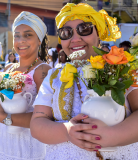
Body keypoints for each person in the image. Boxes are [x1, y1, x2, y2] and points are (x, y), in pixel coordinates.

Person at [30, 3, 138, 160]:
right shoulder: (53, 77)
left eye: (84, 29)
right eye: (66, 33)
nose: (75, 39)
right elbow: (37, 123)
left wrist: (112, 135)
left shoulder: (122, 68)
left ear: (99, 34)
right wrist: (66, 131)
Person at [0, 11, 51, 160]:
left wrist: (5, 118)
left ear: (39, 40)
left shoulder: (42, 71)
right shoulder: (7, 69)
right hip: (1, 143)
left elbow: (46, 117)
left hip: (26, 149)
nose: (21, 40)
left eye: (28, 35)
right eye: (17, 35)